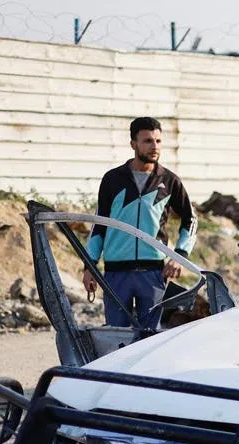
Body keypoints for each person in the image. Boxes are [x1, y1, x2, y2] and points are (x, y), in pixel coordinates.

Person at [84, 117, 197, 329]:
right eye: (147, 141)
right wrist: (89, 266)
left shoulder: (170, 181)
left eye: (158, 141)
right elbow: (98, 225)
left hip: (153, 274)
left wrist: (179, 257)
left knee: (151, 338)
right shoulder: (112, 179)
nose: (154, 147)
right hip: (116, 274)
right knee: (117, 336)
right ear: (133, 144)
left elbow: (191, 220)